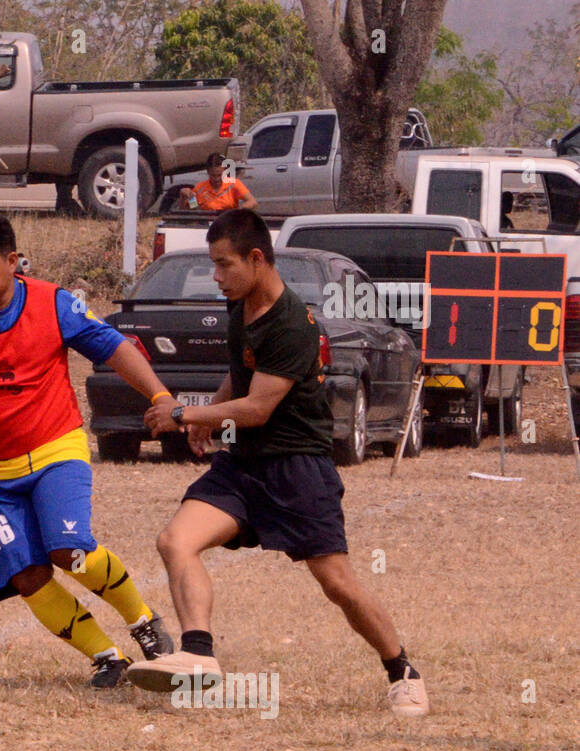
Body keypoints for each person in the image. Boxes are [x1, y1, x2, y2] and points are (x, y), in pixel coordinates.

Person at [138, 209, 428, 717]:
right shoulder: (239, 307)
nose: (217, 277)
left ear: (256, 258)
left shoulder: (293, 322)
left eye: (225, 265)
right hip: (245, 466)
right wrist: (209, 419)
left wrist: (185, 412)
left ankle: (402, 670)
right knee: (175, 541)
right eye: (213, 265)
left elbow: (259, 407)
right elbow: (240, 379)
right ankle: (199, 656)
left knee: (337, 583)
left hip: (298, 469)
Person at [0, 211, 177, 689]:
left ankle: (142, 620)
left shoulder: (53, 302)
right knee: (27, 574)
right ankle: (106, 657)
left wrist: (159, 396)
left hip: (57, 447)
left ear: (12, 261)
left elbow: (114, 348)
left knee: (69, 551)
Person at [180, 153, 258, 212]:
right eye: (213, 175)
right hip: (207, 223)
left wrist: (238, 211)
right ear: (208, 172)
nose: (216, 179)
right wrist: (184, 197)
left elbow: (252, 202)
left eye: (220, 175)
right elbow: (192, 210)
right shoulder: (199, 188)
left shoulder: (233, 184)